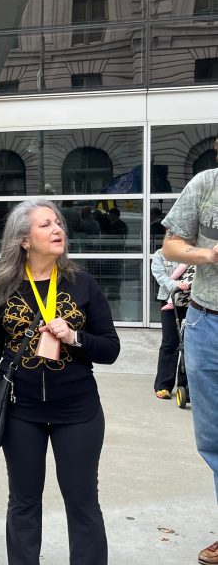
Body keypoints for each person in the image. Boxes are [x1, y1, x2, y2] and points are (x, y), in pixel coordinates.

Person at [0, 199, 120, 565]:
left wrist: (76, 338)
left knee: (82, 502)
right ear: (24, 241)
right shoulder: (3, 288)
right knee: (23, 502)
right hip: (21, 413)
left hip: (78, 410)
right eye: (45, 225)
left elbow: (110, 349)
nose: (57, 229)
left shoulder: (83, 284)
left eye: (58, 223)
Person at [161, 142, 218, 565]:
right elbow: (171, 246)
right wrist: (207, 254)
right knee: (213, 439)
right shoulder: (206, 184)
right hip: (206, 322)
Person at [150, 248, 191, 399]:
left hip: (192, 303)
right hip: (170, 300)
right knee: (170, 343)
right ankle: (163, 385)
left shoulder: (193, 251)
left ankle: (185, 386)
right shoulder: (160, 255)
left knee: (189, 344)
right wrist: (176, 284)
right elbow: (160, 276)